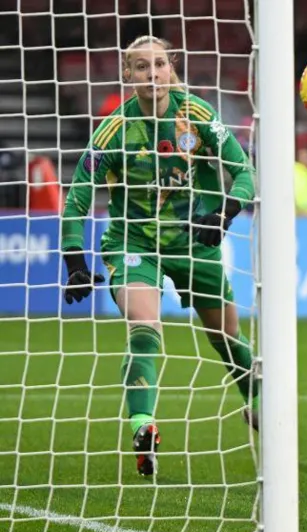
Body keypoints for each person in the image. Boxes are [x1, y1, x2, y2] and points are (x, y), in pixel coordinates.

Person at [59, 36, 259, 477]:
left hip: (193, 241)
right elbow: (77, 198)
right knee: (144, 327)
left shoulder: (198, 115)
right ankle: (143, 426)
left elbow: (243, 168)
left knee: (226, 338)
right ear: (127, 76)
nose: (152, 73)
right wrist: (74, 260)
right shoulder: (114, 129)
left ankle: (257, 400)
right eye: (141, 66)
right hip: (134, 242)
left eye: (160, 64)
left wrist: (224, 211)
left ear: (172, 69)